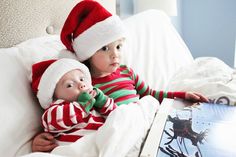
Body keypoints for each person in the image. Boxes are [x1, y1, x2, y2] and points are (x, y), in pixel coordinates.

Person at [32, 0, 209, 152]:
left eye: (118, 47)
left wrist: (181, 96)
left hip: (145, 121)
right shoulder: (84, 85)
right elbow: (62, 118)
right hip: (122, 133)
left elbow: (151, 94)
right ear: (88, 54)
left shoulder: (126, 72)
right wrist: (39, 139)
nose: (115, 55)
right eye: (104, 48)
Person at [31, 58, 117, 145]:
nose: (81, 84)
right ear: (54, 98)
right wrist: (82, 106)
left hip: (103, 141)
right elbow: (54, 120)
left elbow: (115, 114)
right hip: (80, 149)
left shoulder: (93, 102)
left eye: (82, 79)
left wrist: (102, 101)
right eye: (70, 85)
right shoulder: (55, 110)